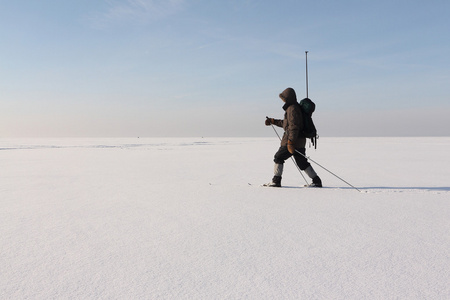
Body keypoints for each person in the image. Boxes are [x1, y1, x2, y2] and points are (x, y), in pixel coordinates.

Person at [264, 87, 322, 187]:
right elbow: (286, 124)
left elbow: (294, 127)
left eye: (283, 98)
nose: (282, 100)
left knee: (278, 157)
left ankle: (276, 181)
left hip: (292, 141)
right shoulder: (292, 108)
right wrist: (273, 121)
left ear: (288, 98)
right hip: (298, 141)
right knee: (302, 163)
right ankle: (316, 181)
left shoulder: (292, 109)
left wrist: (290, 142)